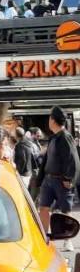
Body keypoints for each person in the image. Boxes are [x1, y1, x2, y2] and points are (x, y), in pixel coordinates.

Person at [38, 106, 79, 252]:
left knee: (65, 210)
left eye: (50, 117)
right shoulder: (54, 137)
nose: (49, 121)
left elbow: (72, 159)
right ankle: (43, 238)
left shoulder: (65, 137)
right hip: (48, 179)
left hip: (61, 180)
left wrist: (68, 179)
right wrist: (41, 179)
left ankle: (68, 240)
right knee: (43, 208)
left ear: (53, 120)